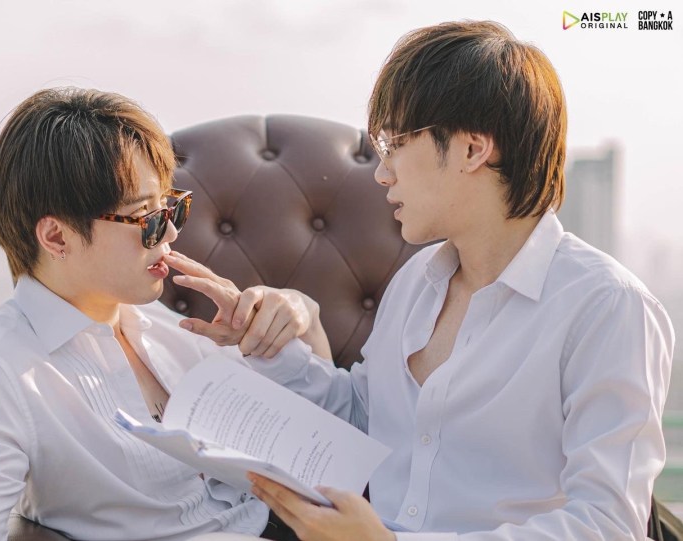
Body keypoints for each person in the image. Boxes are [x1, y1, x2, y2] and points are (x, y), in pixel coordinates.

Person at [178, 21, 675, 540]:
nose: (381, 172)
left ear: (472, 149)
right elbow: (369, 418)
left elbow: (608, 525)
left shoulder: (608, 308)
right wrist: (268, 342)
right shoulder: (416, 281)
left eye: (394, 143)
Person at [0, 87, 325, 541]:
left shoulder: (165, 327)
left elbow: (329, 435)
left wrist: (295, 324)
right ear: (56, 238)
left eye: (170, 208)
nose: (169, 232)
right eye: (145, 218)